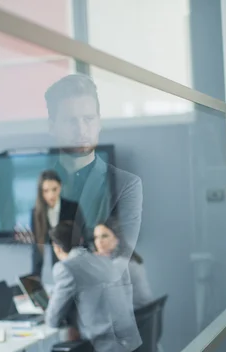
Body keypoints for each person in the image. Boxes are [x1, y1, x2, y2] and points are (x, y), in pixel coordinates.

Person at [45, 74, 142, 255]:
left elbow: (122, 251)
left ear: (99, 122)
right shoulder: (41, 183)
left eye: (88, 119)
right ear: (52, 127)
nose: (81, 130)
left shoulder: (125, 184)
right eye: (71, 121)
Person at [45, 221, 142, 352]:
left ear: (57, 247)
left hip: (104, 348)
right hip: (127, 340)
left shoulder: (65, 268)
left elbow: (52, 320)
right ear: (81, 240)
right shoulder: (104, 260)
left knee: (59, 351)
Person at [14, 169, 81, 278]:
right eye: (46, 191)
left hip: (75, 263)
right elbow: (37, 248)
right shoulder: (36, 213)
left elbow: (83, 239)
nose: (51, 195)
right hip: (57, 266)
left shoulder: (73, 208)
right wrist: (35, 280)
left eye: (54, 189)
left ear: (60, 186)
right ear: (40, 191)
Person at [92, 219, 154, 309]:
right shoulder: (127, 258)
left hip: (134, 317)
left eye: (104, 236)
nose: (99, 241)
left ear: (117, 239)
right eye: (96, 237)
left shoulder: (119, 264)